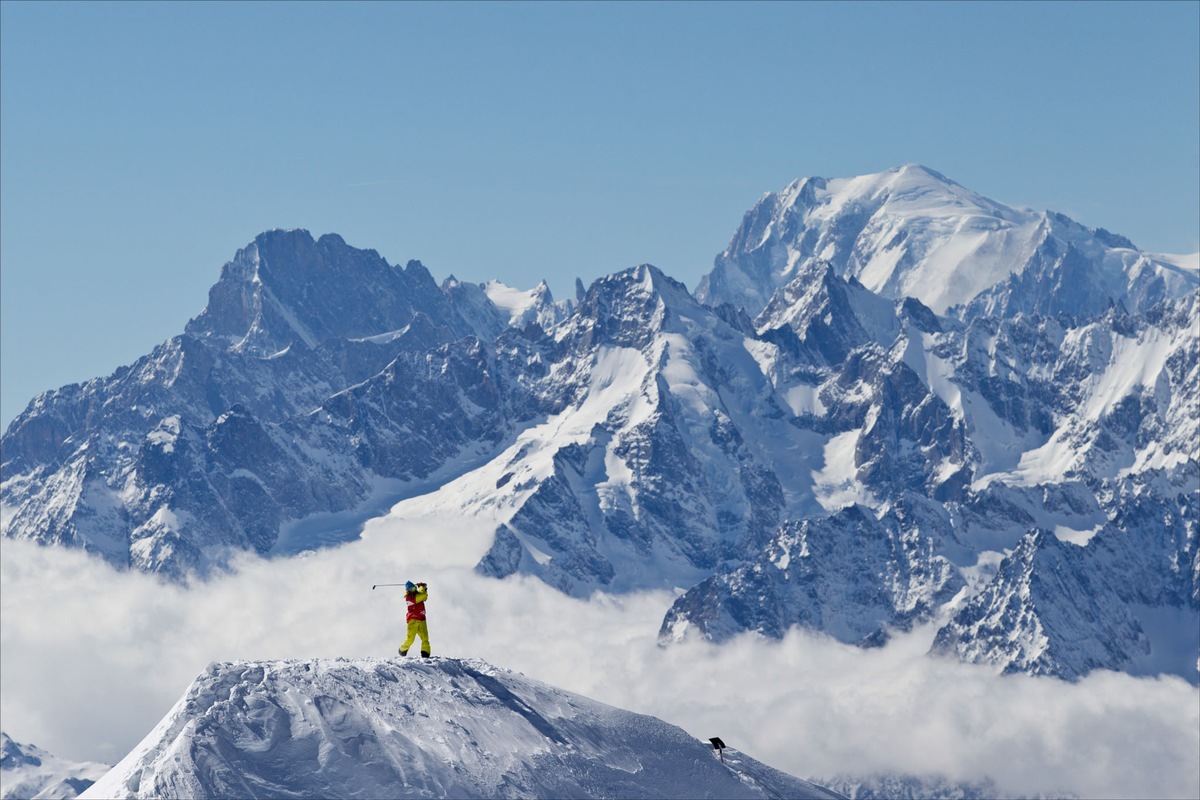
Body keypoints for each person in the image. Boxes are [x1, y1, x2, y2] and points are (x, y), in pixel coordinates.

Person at [399, 580, 431, 658]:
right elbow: (423, 596)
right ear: (408, 590)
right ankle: (402, 650)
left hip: (421, 619)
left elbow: (425, 596)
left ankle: (425, 654)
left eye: (414, 588)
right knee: (410, 639)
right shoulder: (410, 597)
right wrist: (421, 587)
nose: (413, 590)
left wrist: (423, 588)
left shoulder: (417, 594)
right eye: (411, 589)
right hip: (413, 620)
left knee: (425, 638)